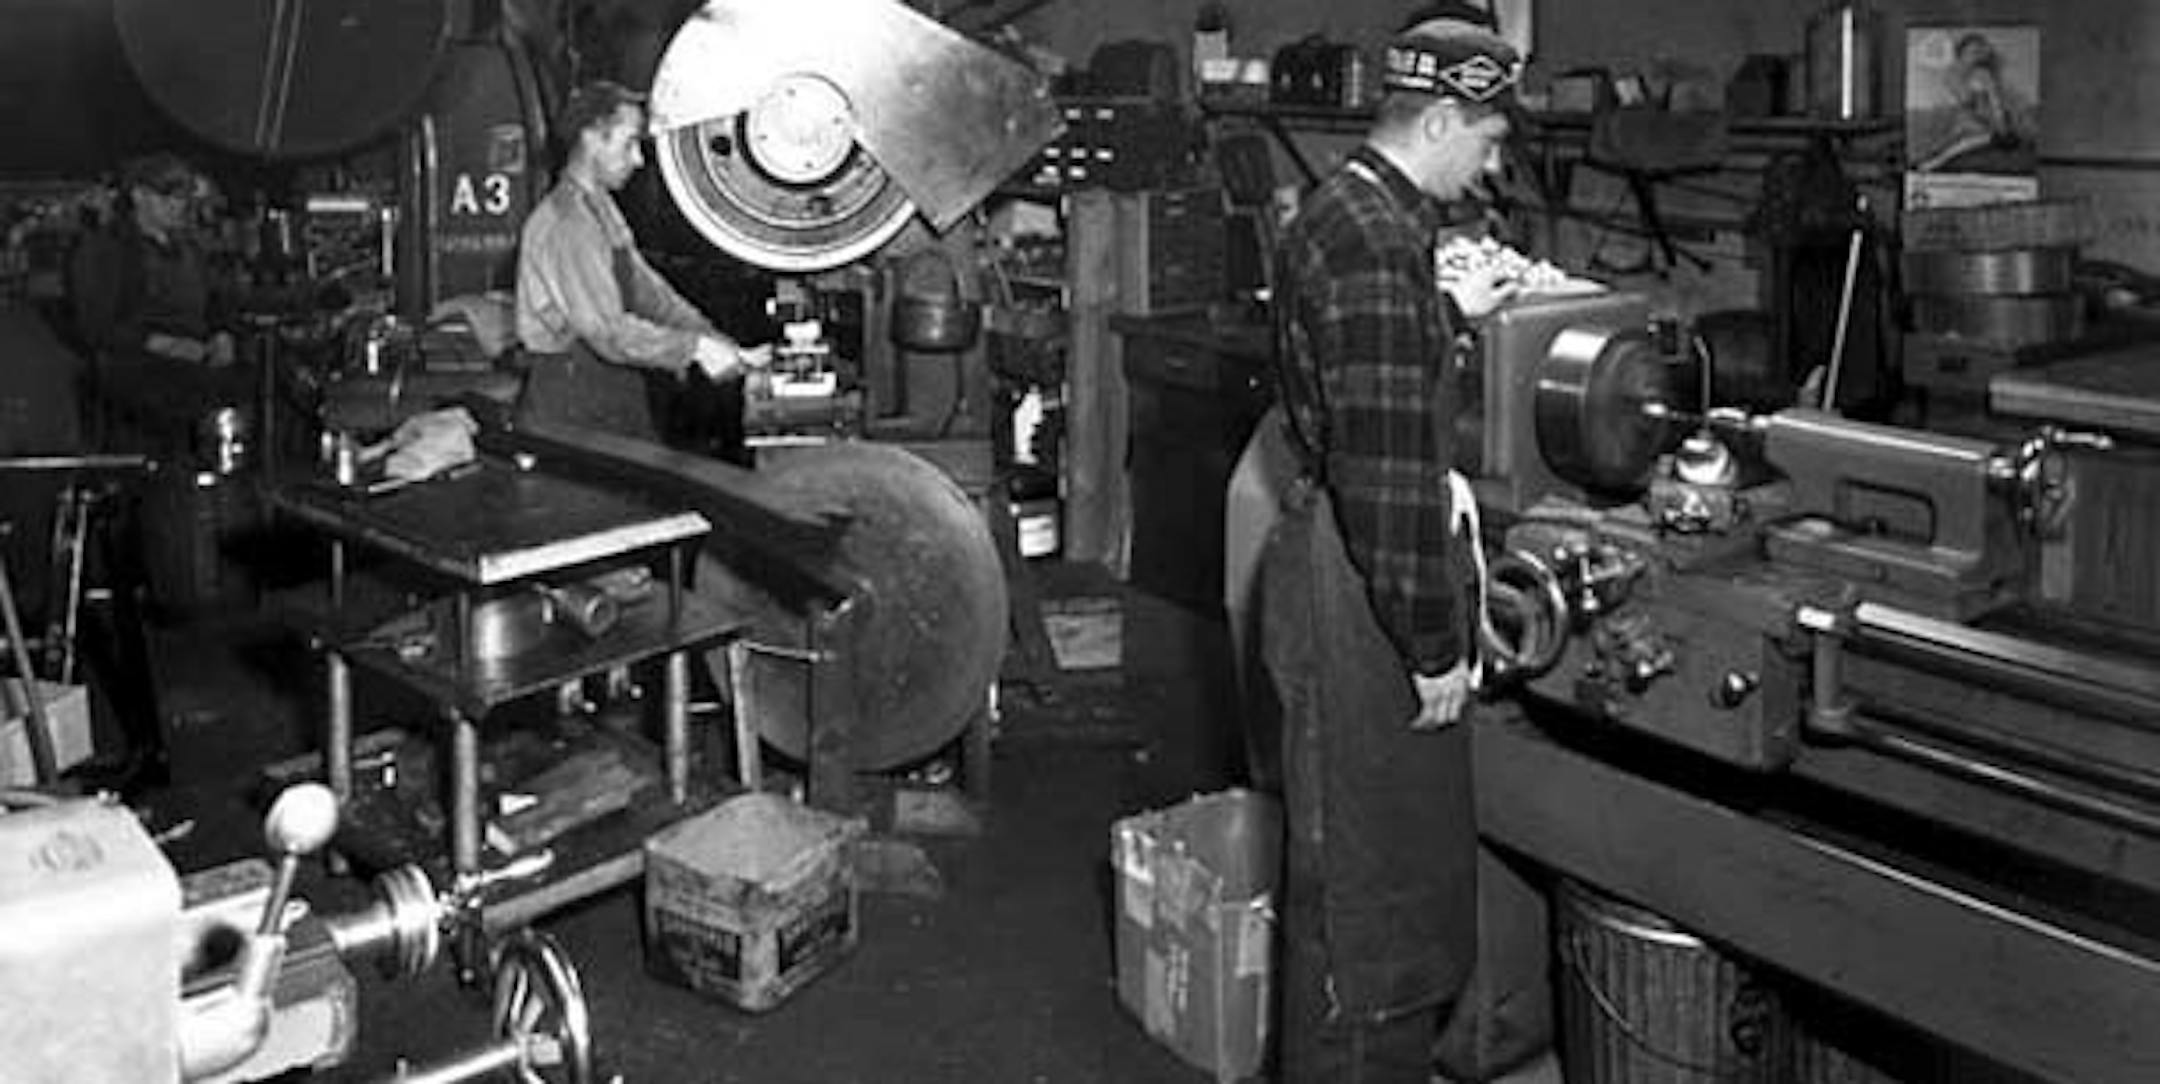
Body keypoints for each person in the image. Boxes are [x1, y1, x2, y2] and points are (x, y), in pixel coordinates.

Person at [1239, 13, 1524, 1082]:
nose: (1490, 169)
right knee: (1373, 914)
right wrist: (1435, 642)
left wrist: (1444, 311)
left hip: (1336, 561)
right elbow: (1389, 470)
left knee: (1359, 883)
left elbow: (1360, 377)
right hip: (1363, 594)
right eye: (1487, 141)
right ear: (1441, 116)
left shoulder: (1342, 208)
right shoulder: (1373, 241)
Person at [514, 80, 769, 440]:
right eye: (630, 142)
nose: (638, 159)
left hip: (611, 390)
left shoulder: (600, 208)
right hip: (572, 403)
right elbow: (607, 333)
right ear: (591, 139)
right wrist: (693, 349)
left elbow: (650, 294)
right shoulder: (567, 223)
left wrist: (717, 342)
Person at [1912, 31, 2037, 174]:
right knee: (1959, 133)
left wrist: (2001, 126)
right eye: (1971, 52)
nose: (1974, 56)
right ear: (1961, 54)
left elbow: (1995, 107)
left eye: (1977, 52)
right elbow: (1966, 105)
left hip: (1995, 128)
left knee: (1968, 138)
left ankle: (1934, 162)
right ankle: (1932, 159)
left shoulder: (1983, 75)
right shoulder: (1955, 75)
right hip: (1979, 123)